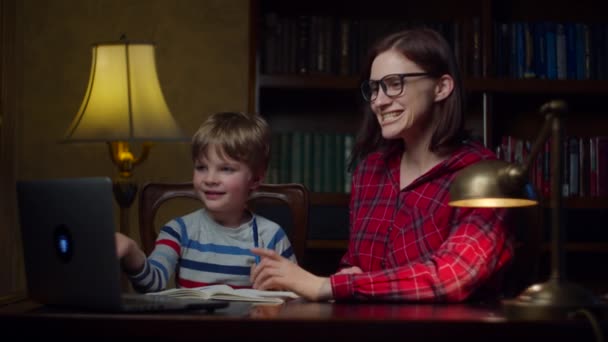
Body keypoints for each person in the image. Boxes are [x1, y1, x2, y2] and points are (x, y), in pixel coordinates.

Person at [250, 28, 514, 302]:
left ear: (441, 87)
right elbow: (355, 267)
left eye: (394, 83)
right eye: (374, 88)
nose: (378, 100)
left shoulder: (483, 175)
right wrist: (346, 277)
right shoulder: (370, 171)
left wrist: (326, 286)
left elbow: (453, 274)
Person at [116, 111, 297, 292]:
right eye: (201, 167)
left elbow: (295, 294)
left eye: (226, 169)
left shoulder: (272, 236)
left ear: (256, 179)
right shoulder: (178, 231)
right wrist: (132, 253)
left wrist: (279, 288)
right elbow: (151, 285)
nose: (210, 179)